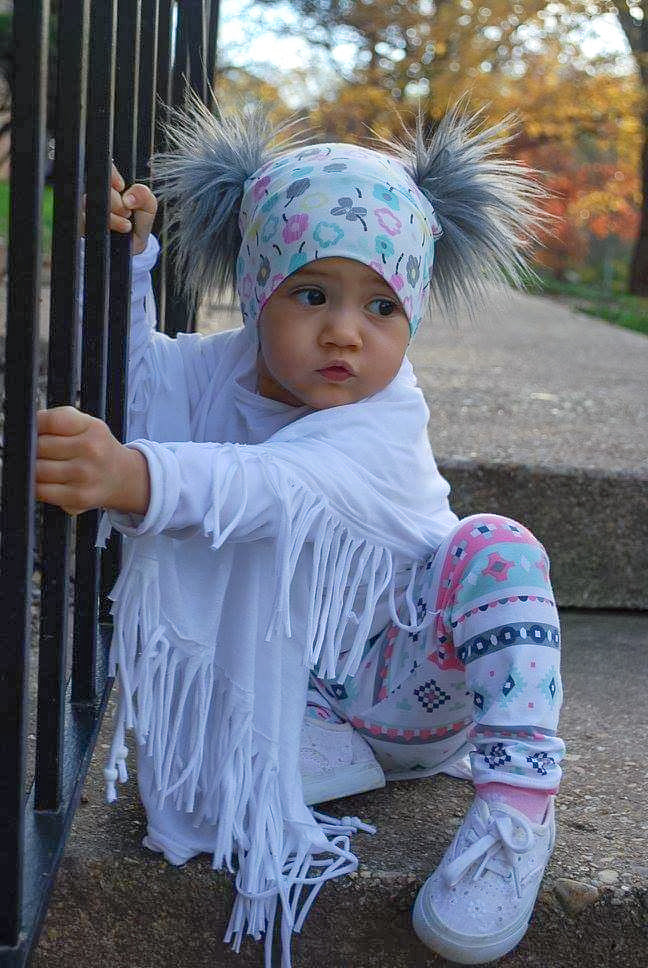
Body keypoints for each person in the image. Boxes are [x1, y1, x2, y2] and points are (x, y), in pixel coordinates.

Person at [35, 97, 565, 967]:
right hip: (304, 688)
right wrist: (124, 263)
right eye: (311, 293)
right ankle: (309, 745)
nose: (344, 333)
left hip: (408, 683)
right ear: (255, 291)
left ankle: (516, 806)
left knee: (498, 544)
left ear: (413, 319)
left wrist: (135, 477)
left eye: (382, 308)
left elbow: (276, 487)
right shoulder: (226, 368)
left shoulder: (383, 418)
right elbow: (137, 385)